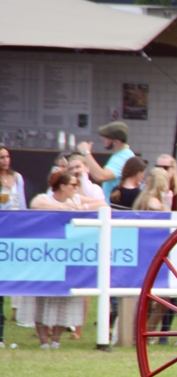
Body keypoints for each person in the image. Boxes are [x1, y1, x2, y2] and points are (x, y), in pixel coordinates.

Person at [26, 172, 89, 348]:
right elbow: (35, 204)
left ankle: (56, 341)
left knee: (64, 299)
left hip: (67, 256)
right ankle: (43, 341)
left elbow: (102, 203)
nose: (76, 188)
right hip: (46, 256)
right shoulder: (45, 198)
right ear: (62, 186)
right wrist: (62, 207)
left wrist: (82, 207)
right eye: (73, 185)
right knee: (42, 298)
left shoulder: (76, 199)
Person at [0, 145, 27, 348]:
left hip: (13, 230)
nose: (5, 160)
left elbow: (21, 204)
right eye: (1, 157)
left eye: (7, 156)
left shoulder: (17, 178)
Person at [76, 121, 135, 202]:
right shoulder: (121, 154)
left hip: (112, 206)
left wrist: (86, 153)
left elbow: (101, 176)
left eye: (107, 137)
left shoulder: (123, 157)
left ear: (117, 141)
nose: (103, 139)